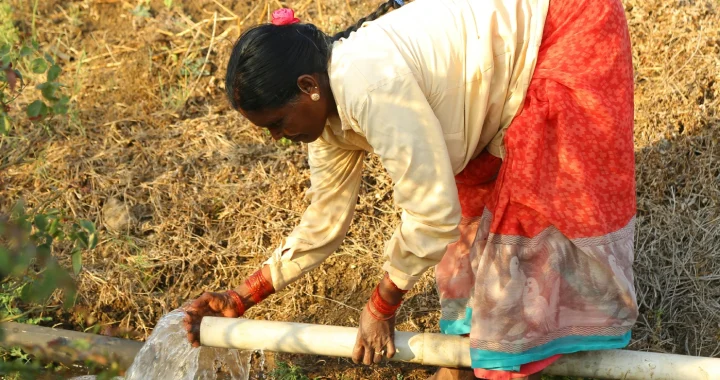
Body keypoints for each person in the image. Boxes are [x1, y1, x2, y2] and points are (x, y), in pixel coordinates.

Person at [183, 0, 639, 378]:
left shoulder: (369, 85)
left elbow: (429, 214)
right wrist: (244, 295)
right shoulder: (326, 114)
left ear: (308, 87)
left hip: (561, 26)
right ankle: (459, 361)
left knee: (523, 221)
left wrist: (382, 304)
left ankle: (512, 356)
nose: (278, 139)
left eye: (278, 124)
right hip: (498, 56)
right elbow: (325, 219)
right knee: (468, 211)